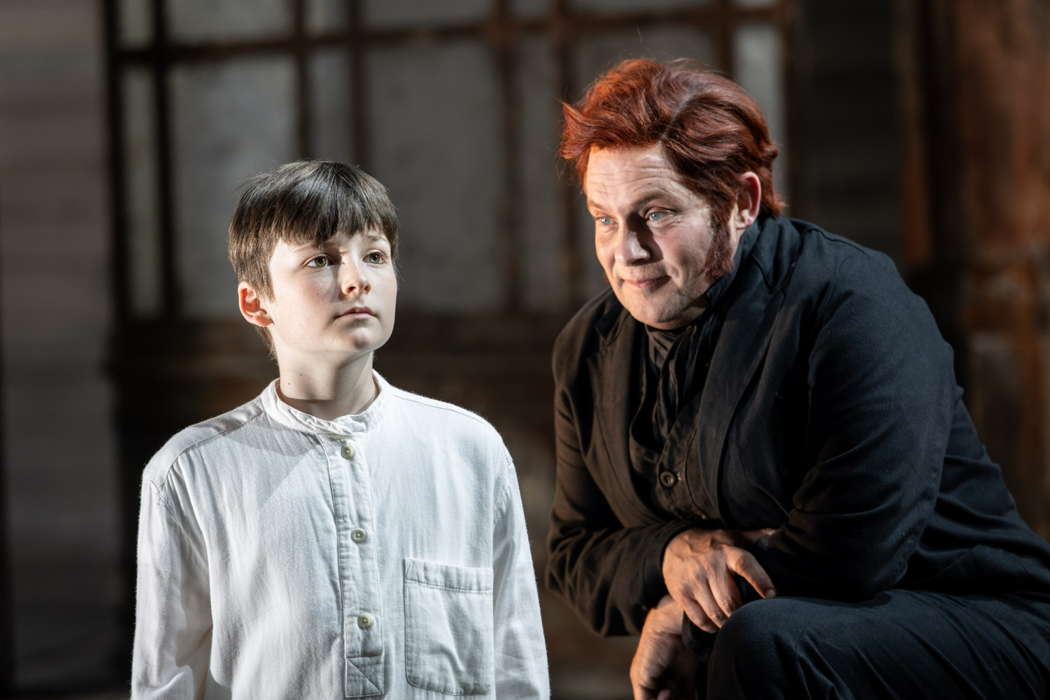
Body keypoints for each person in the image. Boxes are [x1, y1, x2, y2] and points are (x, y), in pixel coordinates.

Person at [545, 58, 1050, 699]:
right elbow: (573, 555)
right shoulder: (586, 350)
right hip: (777, 641)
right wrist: (672, 555)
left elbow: (854, 547)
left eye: (658, 214)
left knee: (759, 638)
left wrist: (682, 615)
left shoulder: (852, 302)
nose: (627, 252)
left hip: (978, 628)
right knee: (748, 641)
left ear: (742, 203)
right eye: (604, 219)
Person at [132, 161, 549, 699]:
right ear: (256, 302)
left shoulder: (469, 451)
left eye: (375, 256)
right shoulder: (192, 471)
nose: (357, 279)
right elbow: (167, 682)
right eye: (321, 260)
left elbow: (515, 664)